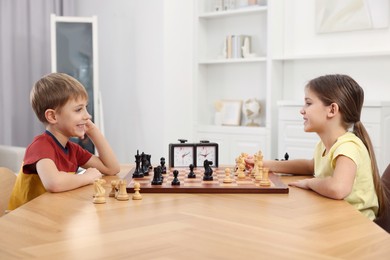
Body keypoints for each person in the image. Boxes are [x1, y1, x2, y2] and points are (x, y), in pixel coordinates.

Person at [246, 74, 386, 220]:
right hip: (337, 215)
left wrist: (310, 183)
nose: (302, 110)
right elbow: (310, 166)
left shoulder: (348, 146)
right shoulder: (325, 146)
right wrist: (264, 164)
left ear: (332, 110)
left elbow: (338, 188)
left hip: (357, 224)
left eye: (308, 103)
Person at [8, 73, 120, 210]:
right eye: (79, 109)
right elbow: (54, 183)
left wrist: (94, 132)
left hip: (53, 215)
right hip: (24, 221)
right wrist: (87, 177)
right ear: (52, 116)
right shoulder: (40, 146)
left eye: (86, 107)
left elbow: (112, 168)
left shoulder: (72, 149)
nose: (88, 116)